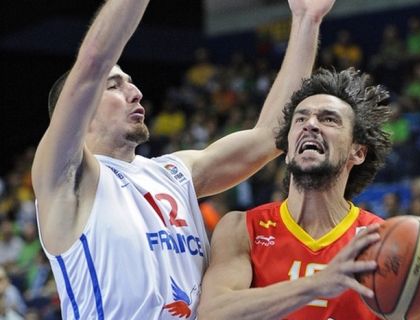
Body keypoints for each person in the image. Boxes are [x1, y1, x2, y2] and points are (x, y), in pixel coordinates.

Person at [31, 0, 332, 318]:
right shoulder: (67, 177)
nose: (135, 93)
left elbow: (272, 134)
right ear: (81, 111)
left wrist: (306, 19)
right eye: (114, 86)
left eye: (131, 83)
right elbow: (93, 61)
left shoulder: (175, 172)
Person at [198, 68, 420, 319]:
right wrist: (317, 284)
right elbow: (213, 313)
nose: (310, 124)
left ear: (358, 152)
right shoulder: (241, 228)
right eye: (301, 118)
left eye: (328, 119)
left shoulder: (380, 243)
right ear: (287, 150)